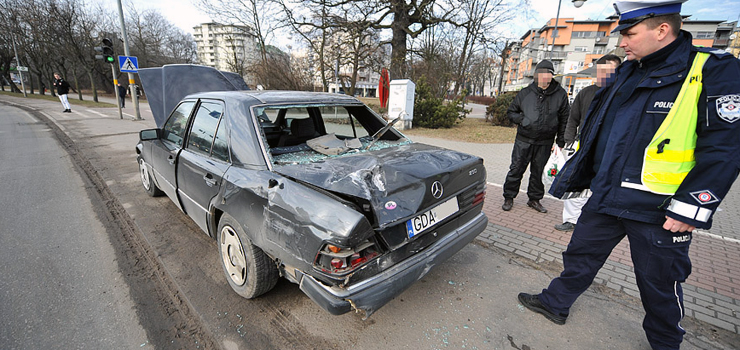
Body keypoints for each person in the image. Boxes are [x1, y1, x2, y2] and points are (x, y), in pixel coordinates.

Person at [517, 1, 740, 349]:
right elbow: (603, 127)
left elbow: (726, 147)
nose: (622, 42)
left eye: (630, 33)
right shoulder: (628, 72)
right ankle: (554, 303)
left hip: (660, 209)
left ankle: (666, 343)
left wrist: (692, 207)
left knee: (660, 284)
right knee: (579, 255)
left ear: (662, 30)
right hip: (607, 194)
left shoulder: (712, 70)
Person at [555, 54, 622, 231]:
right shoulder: (586, 93)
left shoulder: (621, 96)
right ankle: (571, 219)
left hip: (608, 149)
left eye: (608, 72)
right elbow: (572, 119)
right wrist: (568, 142)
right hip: (581, 146)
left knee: (599, 187)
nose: (603, 76)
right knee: (574, 183)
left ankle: (593, 222)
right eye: (600, 71)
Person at [502, 59, 570, 213]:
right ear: (536, 75)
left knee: (538, 172)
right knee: (516, 169)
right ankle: (509, 197)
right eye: (541, 74)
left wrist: (560, 141)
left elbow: (565, 118)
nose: (545, 77)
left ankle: (534, 199)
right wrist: (523, 120)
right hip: (523, 140)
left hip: (545, 142)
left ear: (552, 76)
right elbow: (511, 112)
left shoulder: (560, 95)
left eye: (548, 74)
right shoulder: (526, 93)